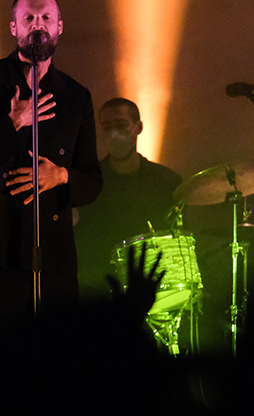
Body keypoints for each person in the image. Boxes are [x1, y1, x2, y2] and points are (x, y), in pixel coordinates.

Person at [0, 0, 102, 340]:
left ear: (60, 27)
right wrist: (11, 124)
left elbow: (92, 181)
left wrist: (59, 176)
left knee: (52, 351)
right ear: (14, 28)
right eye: (28, 18)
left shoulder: (76, 96)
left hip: (50, 244)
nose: (38, 26)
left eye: (46, 18)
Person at [74, 98, 182, 298]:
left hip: (152, 289)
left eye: (121, 125)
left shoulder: (166, 182)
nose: (113, 133)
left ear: (138, 127)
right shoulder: (87, 183)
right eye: (107, 127)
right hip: (97, 290)